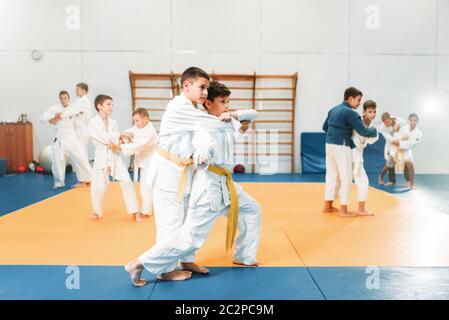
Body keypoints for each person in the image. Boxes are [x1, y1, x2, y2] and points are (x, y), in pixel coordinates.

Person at [124, 81, 260, 286]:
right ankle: (139, 263)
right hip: (209, 188)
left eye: (228, 102)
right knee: (191, 238)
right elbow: (200, 151)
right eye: (222, 102)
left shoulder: (224, 121)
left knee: (251, 209)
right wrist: (202, 157)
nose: (226, 105)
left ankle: (244, 256)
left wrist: (234, 116)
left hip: (227, 184)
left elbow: (253, 114)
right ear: (208, 104)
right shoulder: (203, 128)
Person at [322, 87, 377, 217]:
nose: (359, 103)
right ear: (350, 98)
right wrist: (374, 131)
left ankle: (327, 206)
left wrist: (336, 132)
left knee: (331, 176)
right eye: (358, 100)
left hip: (329, 144)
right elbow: (364, 131)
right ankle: (343, 210)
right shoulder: (351, 113)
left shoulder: (333, 109)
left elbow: (324, 127)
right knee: (346, 177)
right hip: (342, 145)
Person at [88, 94, 139, 222]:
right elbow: (104, 138)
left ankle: (135, 211)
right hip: (100, 157)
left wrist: (123, 141)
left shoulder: (113, 122)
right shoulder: (93, 123)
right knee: (98, 187)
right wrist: (120, 134)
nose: (111, 107)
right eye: (108, 104)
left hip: (114, 156)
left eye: (112, 104)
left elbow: (114, 141)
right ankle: (97, 212)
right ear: (99, 106)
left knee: (127, 181)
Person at [110, 108, 158, 223]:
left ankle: (146, 212)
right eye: (134, 121)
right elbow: (132, 131)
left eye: (137, 121)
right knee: (148, 186)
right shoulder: (139, 126)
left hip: (151, 162)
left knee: (146, 187)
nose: (135, 124)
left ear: (145, 119)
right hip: (144, 161)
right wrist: (124, 135)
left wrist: (120, 147)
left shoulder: (150, 131)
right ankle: (149, 209)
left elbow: (138, 146)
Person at [39, 90, 92, 188]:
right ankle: (59, 183)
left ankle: (90, 178)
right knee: (57, 162)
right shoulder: (55, 108)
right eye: (61, 99)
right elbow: (42, 119)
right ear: (59, 99)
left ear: (69, 99)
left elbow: (81, 120)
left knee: (81, 159)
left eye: (65, 98)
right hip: (59, 139)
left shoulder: (73, 108)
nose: (63, 100)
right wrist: (52, 117)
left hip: (72, 138)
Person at [351, 100, 378, 216]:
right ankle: (361, 209)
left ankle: (329, 205)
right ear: (363, 112)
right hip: (350, 153)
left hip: (357, 155)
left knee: (344, 182)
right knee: (363, 181)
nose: (372, 114)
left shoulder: (372, 126)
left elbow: (372, 139)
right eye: (370, 111)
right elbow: (365, 136)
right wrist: (368, 134)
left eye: (374, 112)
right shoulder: (357, 121)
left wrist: (369, 134)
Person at [390, 113, 422, 189]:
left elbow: (412, 144)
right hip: (397, 149)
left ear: (417, 121)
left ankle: (412, 184)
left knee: (410, 165)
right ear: (409, 121)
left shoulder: (419, 133)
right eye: (411, 120)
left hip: (406, 150)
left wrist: (401, 143)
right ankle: (391, 181)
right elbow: (397, 137)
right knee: (390, 164)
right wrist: (401, 140)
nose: (413, 122)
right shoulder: (403, 128)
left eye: (415, 120)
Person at [378, 112, 406, 186]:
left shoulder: (398, 120)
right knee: (389, 164)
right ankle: (385, 178)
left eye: (388, 122)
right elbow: (388, 138)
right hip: (391, 145)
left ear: (390, 119)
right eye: (385, 123)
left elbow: (406, 125)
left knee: (405, 162)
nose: (387, 124)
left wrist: (398, 126)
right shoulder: (382, 127)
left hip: (400, 144)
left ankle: (409, 181)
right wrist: (394, 141)